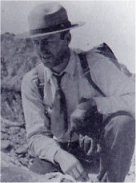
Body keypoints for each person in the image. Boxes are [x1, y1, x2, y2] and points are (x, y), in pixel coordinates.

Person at [21, 2, 135, 182]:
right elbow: (36, 137)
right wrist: (61, 156)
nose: (41, 50)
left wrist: (95, 106)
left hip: (98, 150)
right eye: (36, 43)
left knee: (123, 122)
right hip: (58, 154)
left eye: (48, 41)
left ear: (67, 38)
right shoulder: (33, 81)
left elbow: (133, 98)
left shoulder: (94, 65)